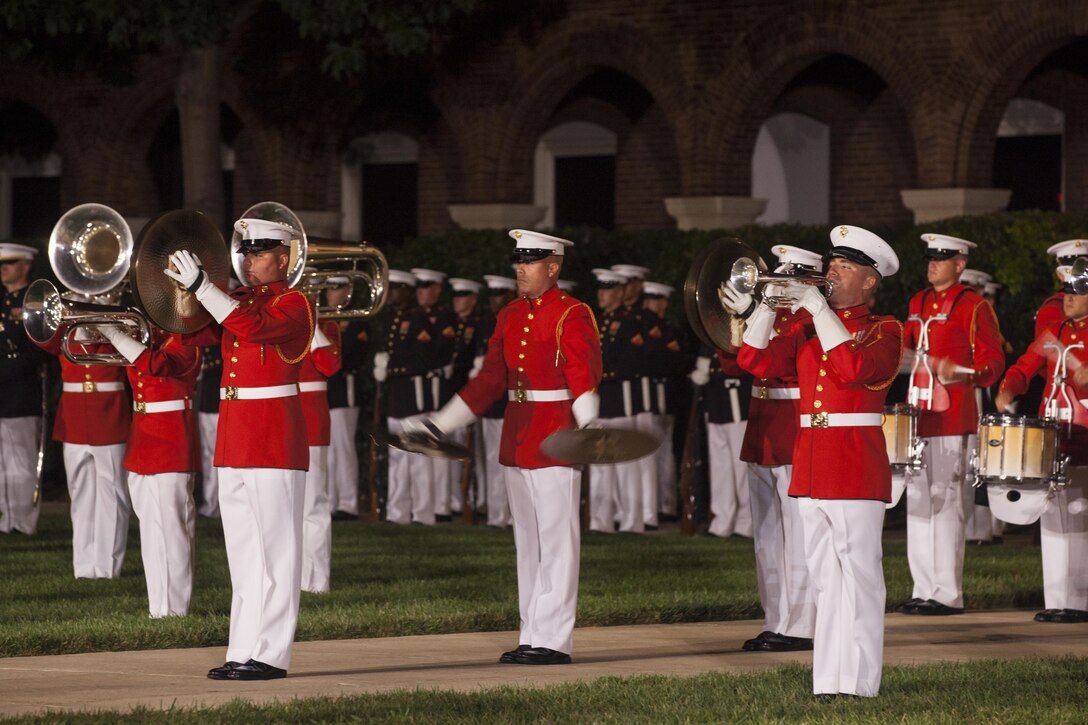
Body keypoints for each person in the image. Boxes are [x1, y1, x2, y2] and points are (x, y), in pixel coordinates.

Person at [405, 229, 602, 665]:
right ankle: (532, 633)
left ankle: (554, 640)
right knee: (527, 543)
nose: (521, 269)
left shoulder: (572, 313)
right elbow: (490, 380)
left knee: (557, 542)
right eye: (519, 261)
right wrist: (440, 424)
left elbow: (582, 372)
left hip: (555, 435)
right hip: (517, 434)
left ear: (553, 267)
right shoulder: (510, 314)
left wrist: (588, 423)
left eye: (530, 261)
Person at [737, 224, 902, 698]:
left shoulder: (885, 329)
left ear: (869, 280)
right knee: (826, 578)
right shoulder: (808, 327)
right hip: (812, 463)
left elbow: (853, 368)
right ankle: (830, 679)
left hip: (853, 463)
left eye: (845, 267)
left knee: (859, 575)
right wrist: (766, 307)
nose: (832, 272)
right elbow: (754, 360)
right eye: (832, 264)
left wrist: (818, 309)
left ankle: (861, 681)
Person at [168, 217, 313, 681]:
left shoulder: (295, 304)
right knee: (245, 554)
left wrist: (204, 288)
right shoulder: (240, 301)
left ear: (283, 259)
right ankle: (243, 649)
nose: (249, 261)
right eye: (246, 253)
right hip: (236, 438)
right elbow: (191, 333)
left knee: (277, 553)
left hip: (273, 439)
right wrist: (179, 295)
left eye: (259, 253)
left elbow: (250, 327)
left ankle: (271, 654)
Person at [898, 234, 1005, 616]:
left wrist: (962, 372)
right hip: (918, 414)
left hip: (953, 415)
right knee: (918, 501)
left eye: (941, 258)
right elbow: (906, 349)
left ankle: (946, 593)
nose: (932, 264)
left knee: (947, 503)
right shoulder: (917, 302)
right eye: (930, 257)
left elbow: (993, 361)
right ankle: (922, 588)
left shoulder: (974, 306)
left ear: (959, 265)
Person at [723, 243, 820, 652]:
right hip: (763, 421)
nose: (775, 283)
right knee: (766, 535)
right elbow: (736, 364)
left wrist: (751, 316)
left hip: (791, 423)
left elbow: (770, 363)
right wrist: (733, 328)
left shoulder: (809, 320)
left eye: (785, 275)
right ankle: (775, 618)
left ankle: (800, 624)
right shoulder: (774, 314)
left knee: (797, 533)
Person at [994, 260, 1088, 624]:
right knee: (1052, 519)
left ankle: (1079, 601)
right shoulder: (1056, 332)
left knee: (1079, 519)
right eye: (1067, 292)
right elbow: (1024, 367)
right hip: (1053, 438)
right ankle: (1058, 600)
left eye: (1078, 293)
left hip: (1083, 436)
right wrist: (1008, 388)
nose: (1069, 298)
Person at [96, 323, 200, 618]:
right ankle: (158, 609)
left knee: (173, 529)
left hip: (171, 441)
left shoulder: (187, 341)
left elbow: (156, 365)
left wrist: (115, 334)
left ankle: (176, 610)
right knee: (151, 532)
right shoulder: (150, 338)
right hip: (143, 441)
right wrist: (98, 333)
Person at [34, 287, 132, 579]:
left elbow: (131, 349)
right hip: (75, 416)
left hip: (108, 414)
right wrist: (63, 309)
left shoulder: (121, 324)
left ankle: (107, 566)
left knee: (112, 492)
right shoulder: (67, 326)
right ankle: (84, 565)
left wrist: (106, 313)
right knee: (80, 492)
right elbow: (41, 338)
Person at [373, 269, 439, 525]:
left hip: (415, 396)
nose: (391, 294)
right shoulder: (392, 320)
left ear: (407, 292)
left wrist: (391, 367)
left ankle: (423, 513)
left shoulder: (418, 320)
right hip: (397, 398)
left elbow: (424, 359)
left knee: (419, 458)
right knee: (397, 458)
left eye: (396, 289)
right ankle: (397, 512)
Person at [588, 267, 645, 533]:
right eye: (600, 289)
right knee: (600, 461)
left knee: (625, 462)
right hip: (599, 399)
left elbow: (632, 362)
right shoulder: (596, 321)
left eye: (608, 290)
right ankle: (601, 520)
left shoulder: (629, 322)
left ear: (620, 293)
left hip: (621, 398)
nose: (602, 294)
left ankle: (631, 521)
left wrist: (603, 373)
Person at [0, 243, 49, 535]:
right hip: (4, 392)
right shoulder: (2, 301)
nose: (3, 268)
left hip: (22, 390)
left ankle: (24, 521)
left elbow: (40, 349)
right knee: (3, 462)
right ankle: (6, 519)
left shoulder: (35, 301)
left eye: (10, 262)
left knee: (22, 461)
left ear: (26, 265)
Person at [298, 290, 342, 594]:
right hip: (280, 418)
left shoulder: (327, 327)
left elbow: (329, 365)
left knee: (312, 502)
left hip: (311, 423)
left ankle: (316, 581)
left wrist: (310, 323)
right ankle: (294, 576)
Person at [613, 263, 660, 527]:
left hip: (640, 392)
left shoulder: (645, 318)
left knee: (643, 455)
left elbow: (651, 356)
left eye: (628, 283)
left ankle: (648, 512)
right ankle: (622, 510)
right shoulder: (616, 319)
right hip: (621, 393)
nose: (625, 289)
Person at [412, 267, 459, 520]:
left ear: (437, 290)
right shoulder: (415, 317)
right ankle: (426, 504)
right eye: (419, 288)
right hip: (422, 390)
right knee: (423, 449)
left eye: (426, 288)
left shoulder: (445, 317)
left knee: (439, 448)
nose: (422, 293)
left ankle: (442, 505)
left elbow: (442, 351)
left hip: (439, 389)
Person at [691, 346, 752, 538]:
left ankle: (746, 522)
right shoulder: (710, 340)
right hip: (716, 400)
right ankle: (722, 521)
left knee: (742, 467)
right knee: (720, 467)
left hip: (737, 400)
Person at [474, 275, 517, 527]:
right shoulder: (486, 324)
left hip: (510, 400)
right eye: (491, 295)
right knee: (492, 459)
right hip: (491, 402)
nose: (494, 300)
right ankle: (496, 513)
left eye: (499, 294)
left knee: (513, 461)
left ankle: (512, 514)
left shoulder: (516, 321)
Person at [640, 281, 684, 522]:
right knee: (653, 450)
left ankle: (665, 503)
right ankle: (656, 504)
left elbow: (669, 360)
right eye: (650, 299)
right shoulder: (645, 325)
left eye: (656, 300)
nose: (652, 304)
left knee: (663, 450)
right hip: (649, 393)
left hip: (664, 393)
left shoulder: (665, 327)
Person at [325, 278, 368, 520]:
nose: (331, 294)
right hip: (327, 390)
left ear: (348, 290)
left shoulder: (355, 322)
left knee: (343, 448)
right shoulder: (325, 320)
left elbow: (350, 357)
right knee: (329, 450)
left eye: (337, 288)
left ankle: (349, 503)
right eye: (329, 289)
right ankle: (332, 500)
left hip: (344, 390)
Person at [445, 277, 483, 516]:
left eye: (463, 296)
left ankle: (472, 499)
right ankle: (455, 500)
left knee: (470, 449)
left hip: (469, 394)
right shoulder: (451, 324)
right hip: (451, 394)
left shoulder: (478, 325)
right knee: (452, 450)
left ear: (473, 299)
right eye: (456, 296)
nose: (457, 301)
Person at [195, 343, 223, 517]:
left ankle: (215, 502)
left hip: (219, 402)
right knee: (208, 455)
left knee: (216, 456)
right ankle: (210, 501)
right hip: (207, 401)